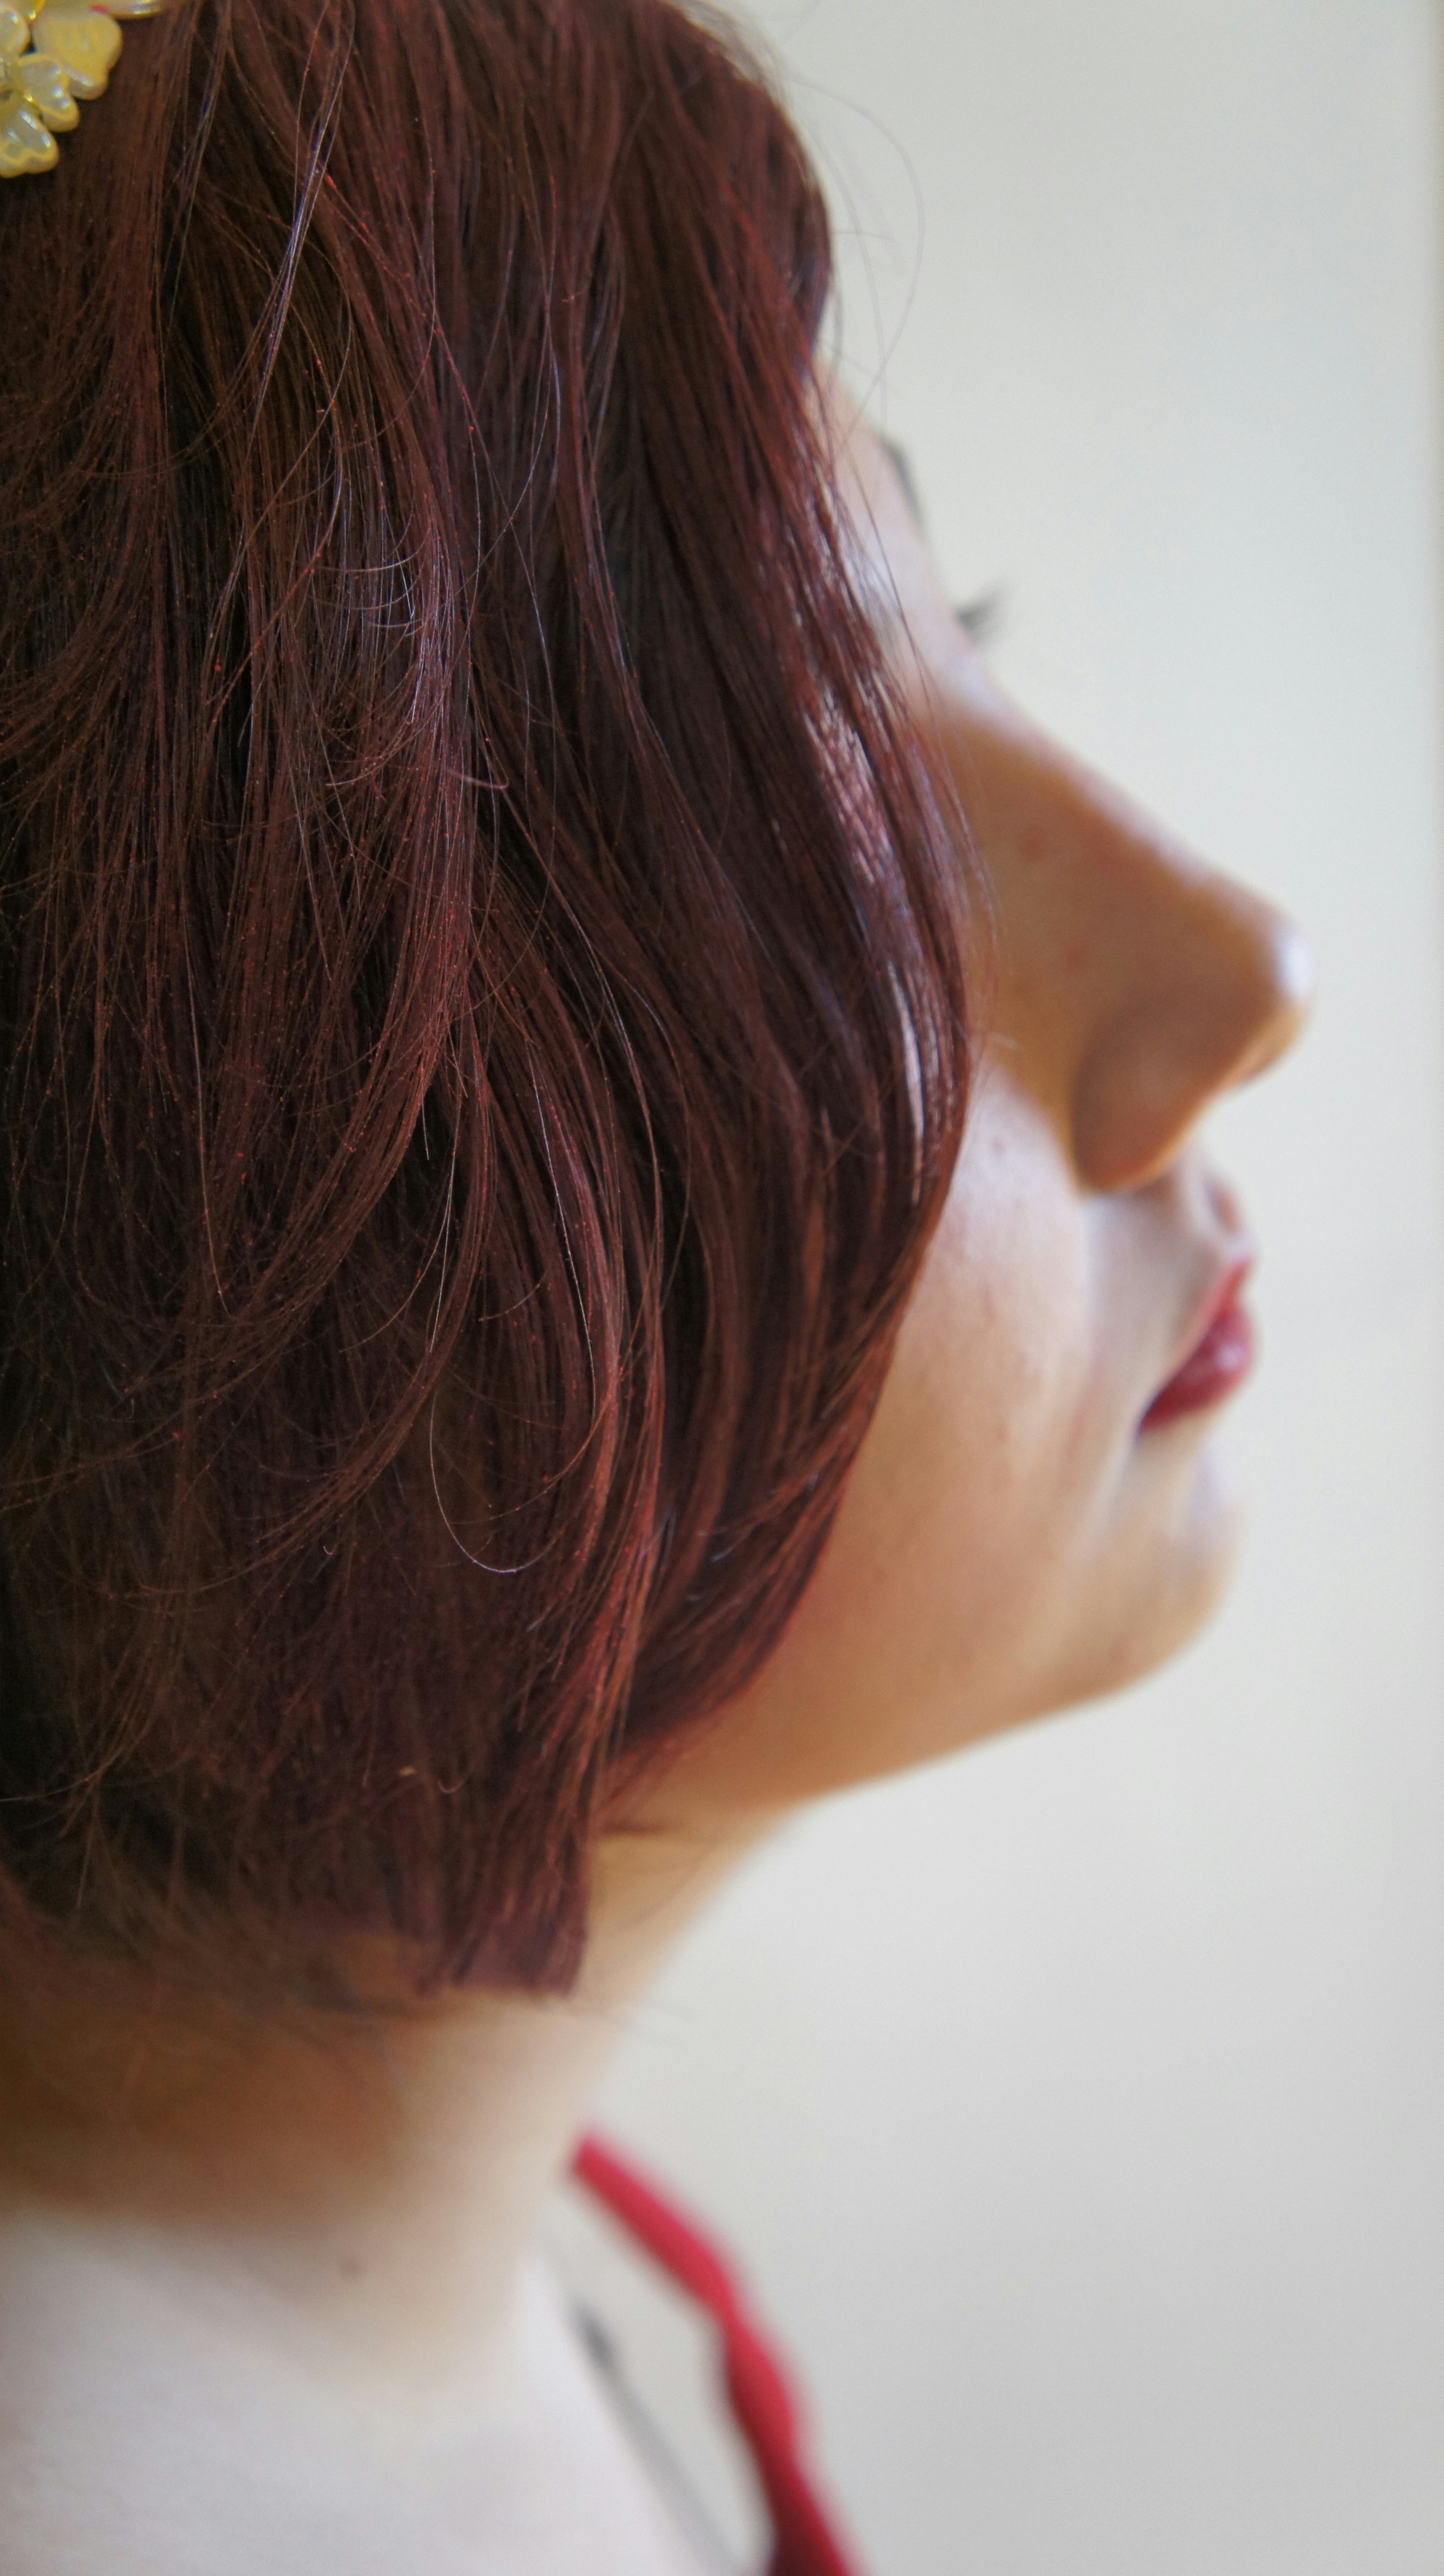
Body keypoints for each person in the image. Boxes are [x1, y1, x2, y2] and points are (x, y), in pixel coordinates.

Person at [0, 0, 1310, 2568]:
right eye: (812, 789)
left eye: (976, 623)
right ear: (180, 1169)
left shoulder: (526, 2316)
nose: (1232, 964)